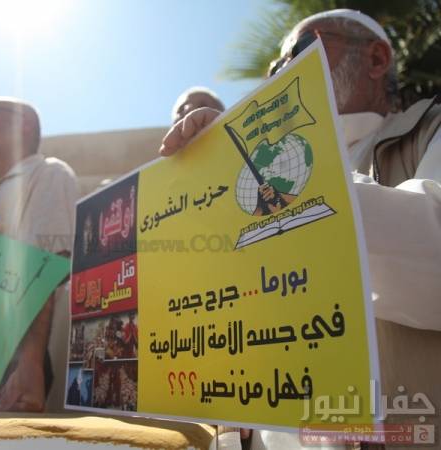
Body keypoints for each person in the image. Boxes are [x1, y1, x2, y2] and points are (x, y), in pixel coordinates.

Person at [160, 9, 441, 450]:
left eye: (304, 50)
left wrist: (284, 185)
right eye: (276, 67)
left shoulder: (429, 130)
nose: (284, 71)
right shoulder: (255, 179)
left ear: (375, 59)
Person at [0, 97, 78, 412]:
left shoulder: (48, 173)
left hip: (9, 364)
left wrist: (29, 362)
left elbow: (46, 265)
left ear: (24, 123)